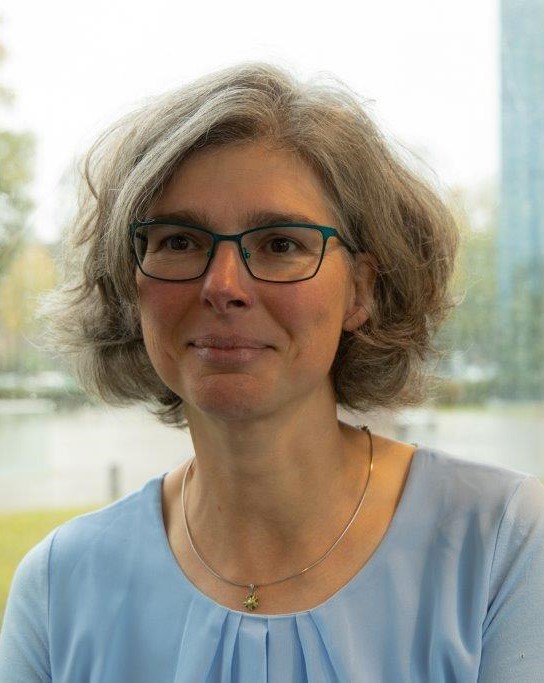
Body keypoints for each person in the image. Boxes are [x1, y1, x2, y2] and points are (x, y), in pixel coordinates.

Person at [0, 63, 543, 683]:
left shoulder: (503, 545)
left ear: (362, 290)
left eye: (281, 243)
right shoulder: (59, 588)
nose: (222, 285)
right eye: (179, 241)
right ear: (130, 286)